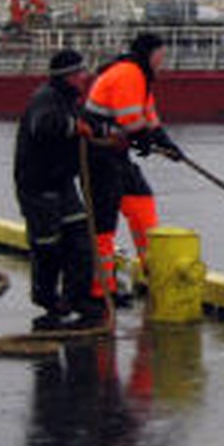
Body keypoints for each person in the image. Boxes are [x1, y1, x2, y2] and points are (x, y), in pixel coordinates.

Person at [83, 32, 184, 310]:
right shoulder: (129, 74)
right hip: (97, 156)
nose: (163, 62)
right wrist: (146, 140)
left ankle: (153, 272)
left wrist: (167, 145)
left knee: (142, 200)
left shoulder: (142, 78)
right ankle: (101, 291)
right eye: (160, 56)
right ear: (148, 54)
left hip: (117, 154)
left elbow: (148, 120)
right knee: (103, 225)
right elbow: (131, 121)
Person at [13, 48, 103, 330]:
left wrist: (104, 131)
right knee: (47, 246)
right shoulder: (46, 99)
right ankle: (47, 300)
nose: (86, 78)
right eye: (81, 73)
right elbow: (44, 126)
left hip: (62, 183)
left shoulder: (70, 99)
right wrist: (76, 126)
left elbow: (88, 124)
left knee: (80, 242)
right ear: (68, 76)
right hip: (39, 187)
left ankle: (77, 298)